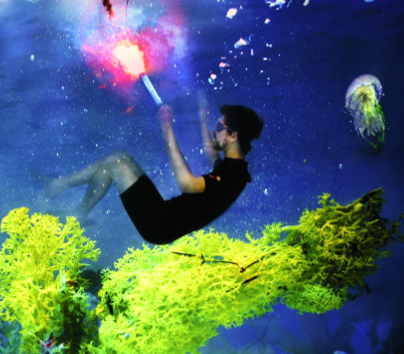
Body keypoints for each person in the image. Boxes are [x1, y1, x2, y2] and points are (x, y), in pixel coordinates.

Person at [45, 94, 264, 244]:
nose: (215, 132)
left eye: (219, 128)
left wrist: (166, 129)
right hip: (163, 213)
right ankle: (70, 200)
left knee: (115, 164)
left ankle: (68, 198)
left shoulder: (233, 174)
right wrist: (201, 118)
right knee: (119, 157)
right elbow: (211, 154)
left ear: (233, 136)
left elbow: (187, 184)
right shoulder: (234, 167)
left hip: (159, 225)